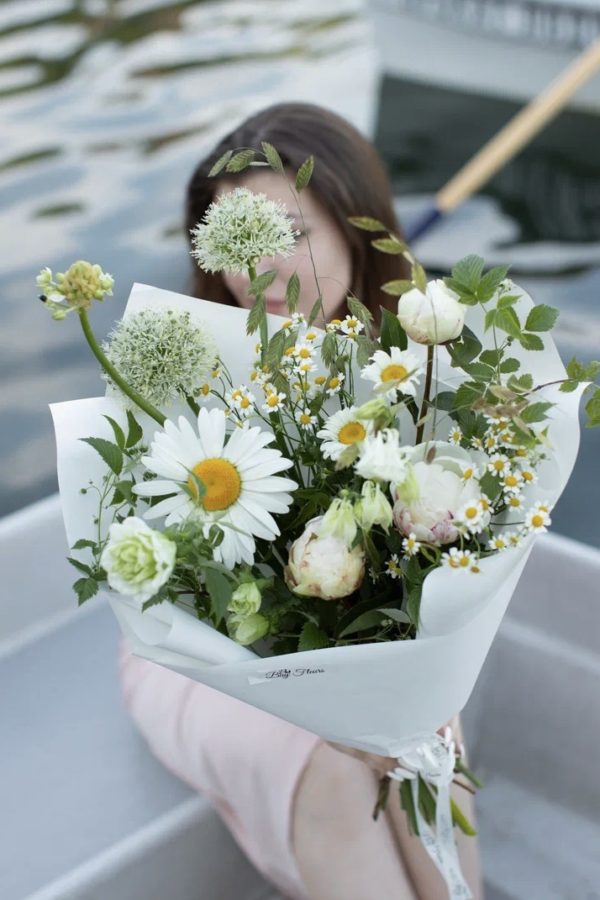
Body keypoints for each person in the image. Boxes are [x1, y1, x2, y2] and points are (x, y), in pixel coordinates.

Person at [118, 102, 483, 900]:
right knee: (321, 759)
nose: (263, 268)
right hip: (200, 655)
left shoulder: (419, 370)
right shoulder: (179, 364)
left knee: (429, 732)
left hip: (357, 646)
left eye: (293, 233)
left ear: (358, 229)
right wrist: (330, 709)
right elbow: (174, 592)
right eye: (238, 239)